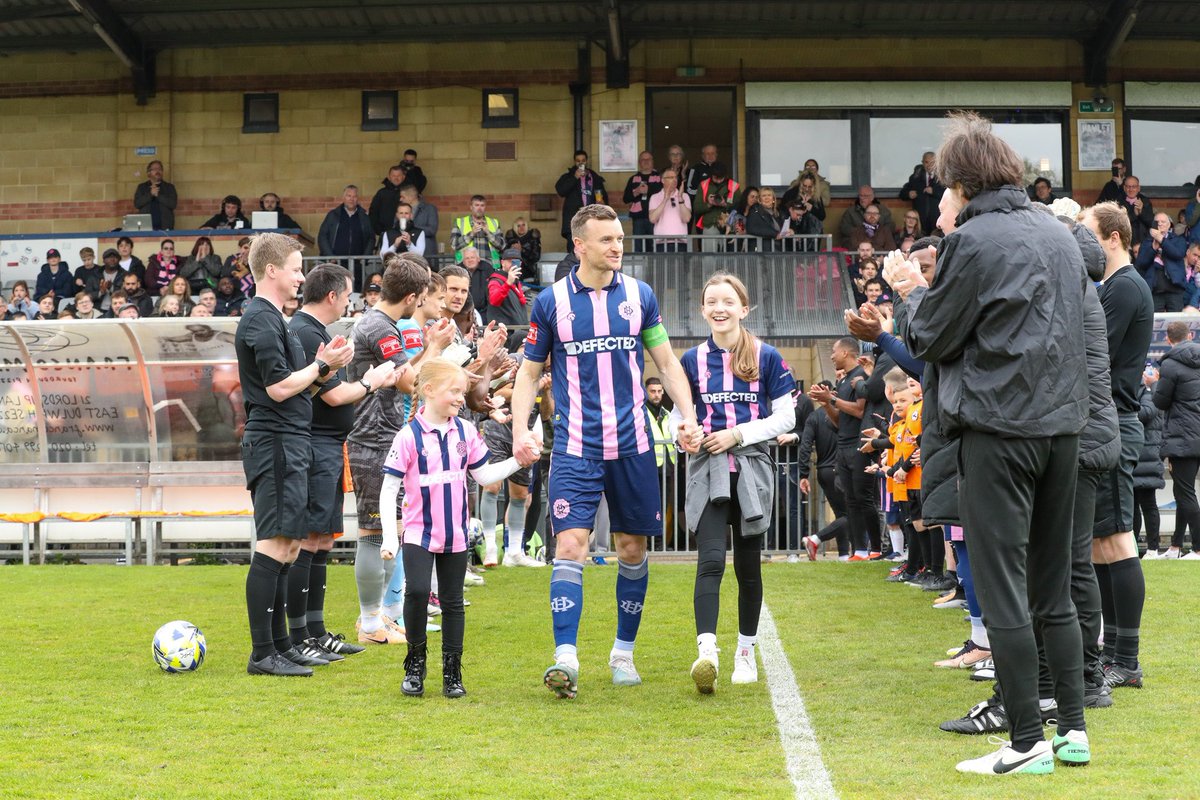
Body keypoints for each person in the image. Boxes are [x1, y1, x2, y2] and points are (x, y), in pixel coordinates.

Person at [892, 112, 1089, 774]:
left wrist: (908, 293)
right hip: (1063, 429)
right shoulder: (1057, 233)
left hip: (1000, 431)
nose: (940, 200)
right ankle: (1074, 734)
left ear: (962, 184)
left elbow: (932, 340)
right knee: (1052, 588)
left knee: (1004, 590)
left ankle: (1028, 741)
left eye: (944, 188)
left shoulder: (971, 244)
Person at [508, 204, 702, 699]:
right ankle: (566, 658)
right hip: (574, 448)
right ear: (580, 246)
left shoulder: (640, 295)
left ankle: (622, 653)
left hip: (635, 446)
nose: (618, 246)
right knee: (569, 546)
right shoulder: (550, 302)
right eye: (607, 239)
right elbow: (529, 372)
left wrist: (687, 416)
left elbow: (666, 361)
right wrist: (521, 429)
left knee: (632, 550)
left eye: (620, 237)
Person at [234, 232, 353, 677]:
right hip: (275, 441)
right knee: (275, 544)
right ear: (272, 270)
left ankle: (281, 646)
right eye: (297, 268)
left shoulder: (276, 319)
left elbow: (298, 383)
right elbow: (278, 387)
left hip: (291, 439)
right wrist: (322, 368)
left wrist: (325, 368)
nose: (302, 276)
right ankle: (262, 653)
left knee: (287, 546)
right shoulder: (261, 320)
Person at [380, 358, 535, 698]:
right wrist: (391, 536)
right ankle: (415, 663)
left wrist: (516, 461)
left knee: (452, 602)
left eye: (463, 393)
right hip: (419, 533)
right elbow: (390, 487)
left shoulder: (465, 431)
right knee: (418, 592)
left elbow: (483, 475)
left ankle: (452, 672)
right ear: (430, 391)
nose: (460, 399)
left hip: (455, 535)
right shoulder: (408, 436)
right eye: (454, 391)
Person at [679, 273, 795, 692]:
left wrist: (739, 434)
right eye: (712, 301)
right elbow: (681, 415)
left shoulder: (767, 356)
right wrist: (685, 431)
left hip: (750, 469)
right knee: (709, 561)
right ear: (703, 309)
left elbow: (786, 417)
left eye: (728, 301)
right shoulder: (691, 360)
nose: (719, 308)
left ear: (744, 308)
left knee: (748, 567)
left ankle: (745, 652)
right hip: (707, 469)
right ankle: (707, 652)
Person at [289, 262, 398, 661]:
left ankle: (316, 630)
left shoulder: (319, 332)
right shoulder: (304, 331)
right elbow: (333, 396)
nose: (350, 302)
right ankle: (300, 634)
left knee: (320, 540)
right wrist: (375, 380)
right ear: (332, 295)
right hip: (315, 445)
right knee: (308, 540)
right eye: (347, 295)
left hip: (330, 446)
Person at [346, 254, 454, 645]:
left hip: (387, 438)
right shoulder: (378, 327)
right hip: (373, 441)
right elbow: (411, 381)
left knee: (394, 530)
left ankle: (385, 618)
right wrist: (435, 347)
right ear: (411, 297)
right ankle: (371, 623)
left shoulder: (382, 323)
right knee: (375, 533)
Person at [1079, 201, 1153, 691]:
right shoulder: (1117, 287)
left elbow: (1093, 348)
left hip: (1117, 425)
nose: (1081, 242)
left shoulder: (1125, 288)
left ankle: (1126, 658)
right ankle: (1112, 653)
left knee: (1116, 540)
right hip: (1112, 423)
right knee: (1101, 545)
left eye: (1087, 234)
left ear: (1112, 237)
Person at [808, 339, 876, 559]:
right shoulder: (844, 380)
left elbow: (859, 411)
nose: (831, 356)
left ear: (846, 353)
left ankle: (875, 549)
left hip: (860, 444)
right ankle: (858, 551)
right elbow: (838, 422)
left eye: (834, 352)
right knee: (851, 501)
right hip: (843, 446)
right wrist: (826, 403)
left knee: (863, 498)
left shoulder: (860, 377)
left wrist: (833, 399)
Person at [1152, 321, 1200, 560]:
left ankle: (1199, 549)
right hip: (1196, 435)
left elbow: (1161, 402)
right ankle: (1176, 547)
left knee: (1185, 492)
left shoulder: (1170, 364)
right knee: (1184, 492)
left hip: (1183, 436)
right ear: (1190, 335)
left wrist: (1153, 385)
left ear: (1169, 340)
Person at [1136, 371, 1167, 558]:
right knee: (1133, 507)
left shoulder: (1148, 395)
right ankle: (1137, 547)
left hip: (1145, 458)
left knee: (1147, 504)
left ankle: (1153, 548)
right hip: (1140, 457)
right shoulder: (1146, 393)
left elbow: (1146, 413)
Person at [1134, 212, 1191, 312]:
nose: (1159, 224)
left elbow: (1178, 254)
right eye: (1157, 222)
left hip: (1175, 289)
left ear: (1169, 225)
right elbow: (1140, 263)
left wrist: (1161, 240)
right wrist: (1153, 248)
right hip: (1155, 290)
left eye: (1163, 221)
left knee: (1176, 322)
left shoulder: (1178, 240)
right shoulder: (1148, 241)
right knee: (1155, 323)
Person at [555, 150, 608, 245]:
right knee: (574, 252)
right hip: (574, 221)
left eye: (583, 160)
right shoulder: (568, 176)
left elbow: (604, 198)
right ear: (574, 162)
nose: (580, 163)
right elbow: (561, 191)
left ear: (586, 161)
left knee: (591, 250)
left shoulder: (594, 177)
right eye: (578, 160)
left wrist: (602, 203)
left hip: (592, 220)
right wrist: (575, 177)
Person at [317, 186, 374, 258]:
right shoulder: (333, 215)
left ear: (357, 199)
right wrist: (330, 256)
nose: (351, 199)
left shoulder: (364, 217)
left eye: (354, 196)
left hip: (357, 265)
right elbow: (322, 236)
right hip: (336, 264)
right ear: (343, 198)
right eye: (349, 196)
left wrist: (364, 258)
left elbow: (371, 238)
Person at [623, 150, 662, 250]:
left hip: (655, 217)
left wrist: (649, 190)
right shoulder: (633, 178)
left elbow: (664, 194)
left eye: (648, 159)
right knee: (638, 246)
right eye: (643, 159)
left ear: (653, 161)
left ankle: (654, 266)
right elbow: (625, 199)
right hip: (638, 218)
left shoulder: (660, 177)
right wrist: (636, 192)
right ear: (639, 162)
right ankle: (639, 266)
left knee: (654, 246)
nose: (646, 161)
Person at [451, 195, 505, 267]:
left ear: (485, 207)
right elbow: (454, 245)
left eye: (482, 205)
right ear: (471, 207)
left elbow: (502, 245)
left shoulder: (494, 222)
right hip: (466, 267)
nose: (479, 208)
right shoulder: (460, 222)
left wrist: (488, 233)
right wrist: (471, 234)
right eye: (476, 205)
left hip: (489, 266)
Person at [899, 151, 945, 235]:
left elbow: (948, 194)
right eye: (926, 162)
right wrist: (909, 194)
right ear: (922, 163)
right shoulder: (916, 176)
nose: (929, 165)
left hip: (937, 219)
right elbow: (902, 194)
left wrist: (934, 191)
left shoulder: (943, 176)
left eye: (932, 163)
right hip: (919, 221)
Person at [647, 168, 691, 252]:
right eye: (671, 177)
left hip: (681, 242)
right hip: (661, 243)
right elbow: (652, 219)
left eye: (676, 177)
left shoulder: (685, 196)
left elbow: (687, 219)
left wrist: (680, 198)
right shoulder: (655, 197)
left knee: (681, 265)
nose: (674, 180)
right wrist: (665, 200)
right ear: (663, 180)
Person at [133, 159, 177, 230]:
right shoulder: (142, 187)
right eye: (155, 169)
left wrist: (158, 196)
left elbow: (173, 204)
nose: (158, 171)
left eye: (160, 169)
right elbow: (137, 204)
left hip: (165, 228)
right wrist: (150, 194)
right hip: (145, 228)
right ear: (148, 173)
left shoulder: (169, 187)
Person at [369, 164, 408, 240]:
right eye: (393, 175)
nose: (396, 178)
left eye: (399, 175)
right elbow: (373, 213)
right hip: (385, 234)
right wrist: (379, 231)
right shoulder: (381, 193)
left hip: (406, 236)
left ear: (403, 177)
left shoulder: (409, 192)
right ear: (389, 177)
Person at [400, 183, 438, 259]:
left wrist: (412, 228)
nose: (400, 199)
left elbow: (431, 230)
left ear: (411, 197)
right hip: (406, 254)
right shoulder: (401, 210)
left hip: (426, 253)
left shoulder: (429, 209)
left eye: (402, 197)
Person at [1119, 176, 1155, 245]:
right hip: (1126, 241)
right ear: (1124, 188)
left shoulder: (1145, 201)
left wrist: (1141, 211)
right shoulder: (1118, 202)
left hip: (1144, 240)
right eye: (1128, 187)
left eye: (1134, 187)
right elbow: (1120, 223)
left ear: (1138, 188)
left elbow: (1151, 222)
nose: (1131, 189)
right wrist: (1134, 214)